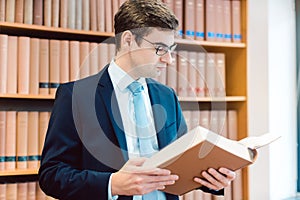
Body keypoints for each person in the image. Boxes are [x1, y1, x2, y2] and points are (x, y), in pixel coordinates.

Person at [38, 0, 236, 199]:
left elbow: (183, 161)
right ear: (128, 40)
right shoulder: (76, 96)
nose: (169, 59)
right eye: (160, 49)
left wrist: (212, 180)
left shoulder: (167, 96)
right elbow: (52, 175)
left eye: (171, 49)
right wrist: (112, 184)